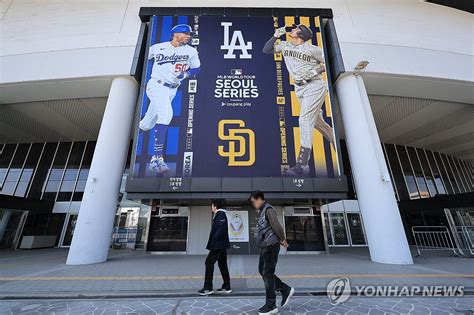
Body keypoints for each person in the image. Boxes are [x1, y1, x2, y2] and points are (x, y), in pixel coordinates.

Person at [263, 24, 334, 177]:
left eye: (296, 29)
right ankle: (337, 142)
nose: (292, 29)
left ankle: (302, 164)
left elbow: (327, 64)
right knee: (318, 123)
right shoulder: (285, 45)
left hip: (314, 85)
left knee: (304, 119)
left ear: (301, 34)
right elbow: (266, 50)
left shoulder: (313, 49)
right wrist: (276, 35)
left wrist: (314, 71)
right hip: (300, 88)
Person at [139, 24, 201, 174]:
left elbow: (197, 68)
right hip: (156, 85)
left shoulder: (191, 51)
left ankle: (130, 133)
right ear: (176, 34)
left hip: (172, 89)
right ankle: (156, 159)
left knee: (147, 124)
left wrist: (186, 74)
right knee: (166, 114)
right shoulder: (158, 47)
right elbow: (141, 57)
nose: (189, 36)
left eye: (190, 35)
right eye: (186, 34)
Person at [249, 190, 295, 314]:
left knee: (268, 273)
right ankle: (284, 289)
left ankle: (271, 305)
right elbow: (269, 230)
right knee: (262, 270)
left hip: (270, 247)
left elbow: (277, 226)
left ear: (259, 199)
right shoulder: (262, 211)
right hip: (266, 246)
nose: (253, 204)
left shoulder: (268, 210)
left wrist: (283, 239)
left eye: (254, 202)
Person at [198, 199, 232, 295]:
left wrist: (214, 240)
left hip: (218, 245)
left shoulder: (220, 214)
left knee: (209, 262)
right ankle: (226, 286)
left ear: (215, 205)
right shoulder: (219, 214)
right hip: (221, 244)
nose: (211, 207)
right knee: (222, 264)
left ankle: (208, 288)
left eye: (212, 205)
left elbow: (221, 229)